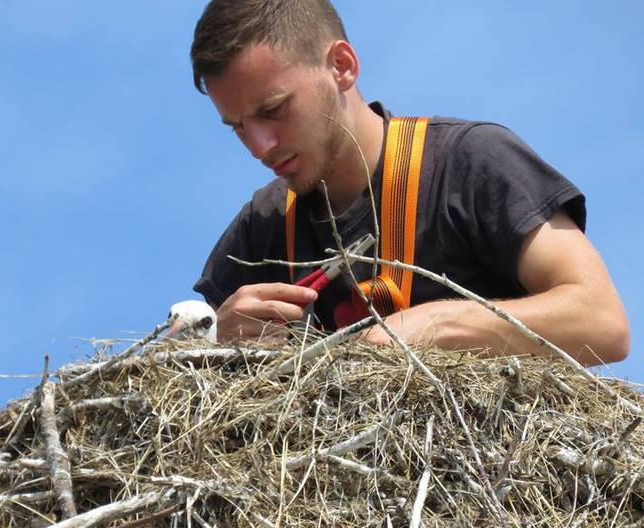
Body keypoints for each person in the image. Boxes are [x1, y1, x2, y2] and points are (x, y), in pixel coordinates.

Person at [189, 0, 629, 366]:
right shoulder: (261, 227)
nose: (258, 147)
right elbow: (163, 384)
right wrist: (216, 340)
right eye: (237, 127)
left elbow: (603, 323)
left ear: (341, 66)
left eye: (274, 109)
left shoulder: (471, 162)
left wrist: (436, 325)